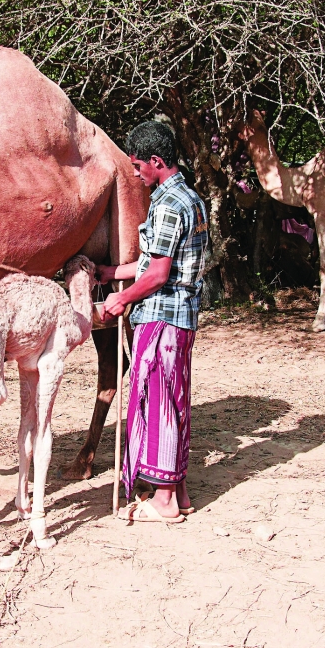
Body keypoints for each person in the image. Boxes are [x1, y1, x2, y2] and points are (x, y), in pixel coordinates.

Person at [98, 120, 208, 522]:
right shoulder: (191, 199)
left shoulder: (165, 205)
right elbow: (154, 263)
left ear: (156, 161)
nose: (135, 173)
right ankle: (178, 492)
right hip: (183, 316)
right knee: (175, 399)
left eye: (138, 165)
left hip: (162, 315)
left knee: (158, 399)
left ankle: (162, 503)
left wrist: (119, 299)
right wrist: (111, 273)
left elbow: (159, 275)